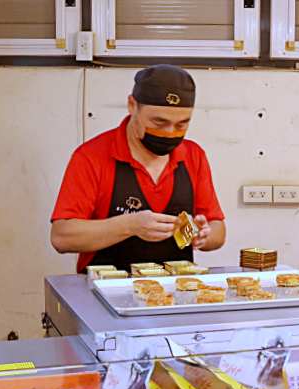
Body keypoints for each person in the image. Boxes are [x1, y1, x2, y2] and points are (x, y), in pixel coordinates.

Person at [50, 65, 226, 272]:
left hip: (174, 291)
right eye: (158, 122)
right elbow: (61, 237)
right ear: (132, 105)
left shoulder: (193, 156)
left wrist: (204, 235)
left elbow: (218, 230)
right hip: (103, 294)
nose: (169, 133)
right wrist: (130, 225)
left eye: (181, 124)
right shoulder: (91, 157)